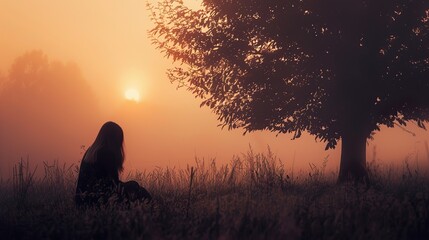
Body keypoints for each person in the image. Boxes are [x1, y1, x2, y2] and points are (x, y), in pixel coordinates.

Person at [75, 121, 151, 207]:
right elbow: (114, 185)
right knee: (136, 188)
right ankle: (152, 212)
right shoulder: (107, 154)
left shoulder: (90, 152)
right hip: (98, 201)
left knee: (132, 187)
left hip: (82, 202)